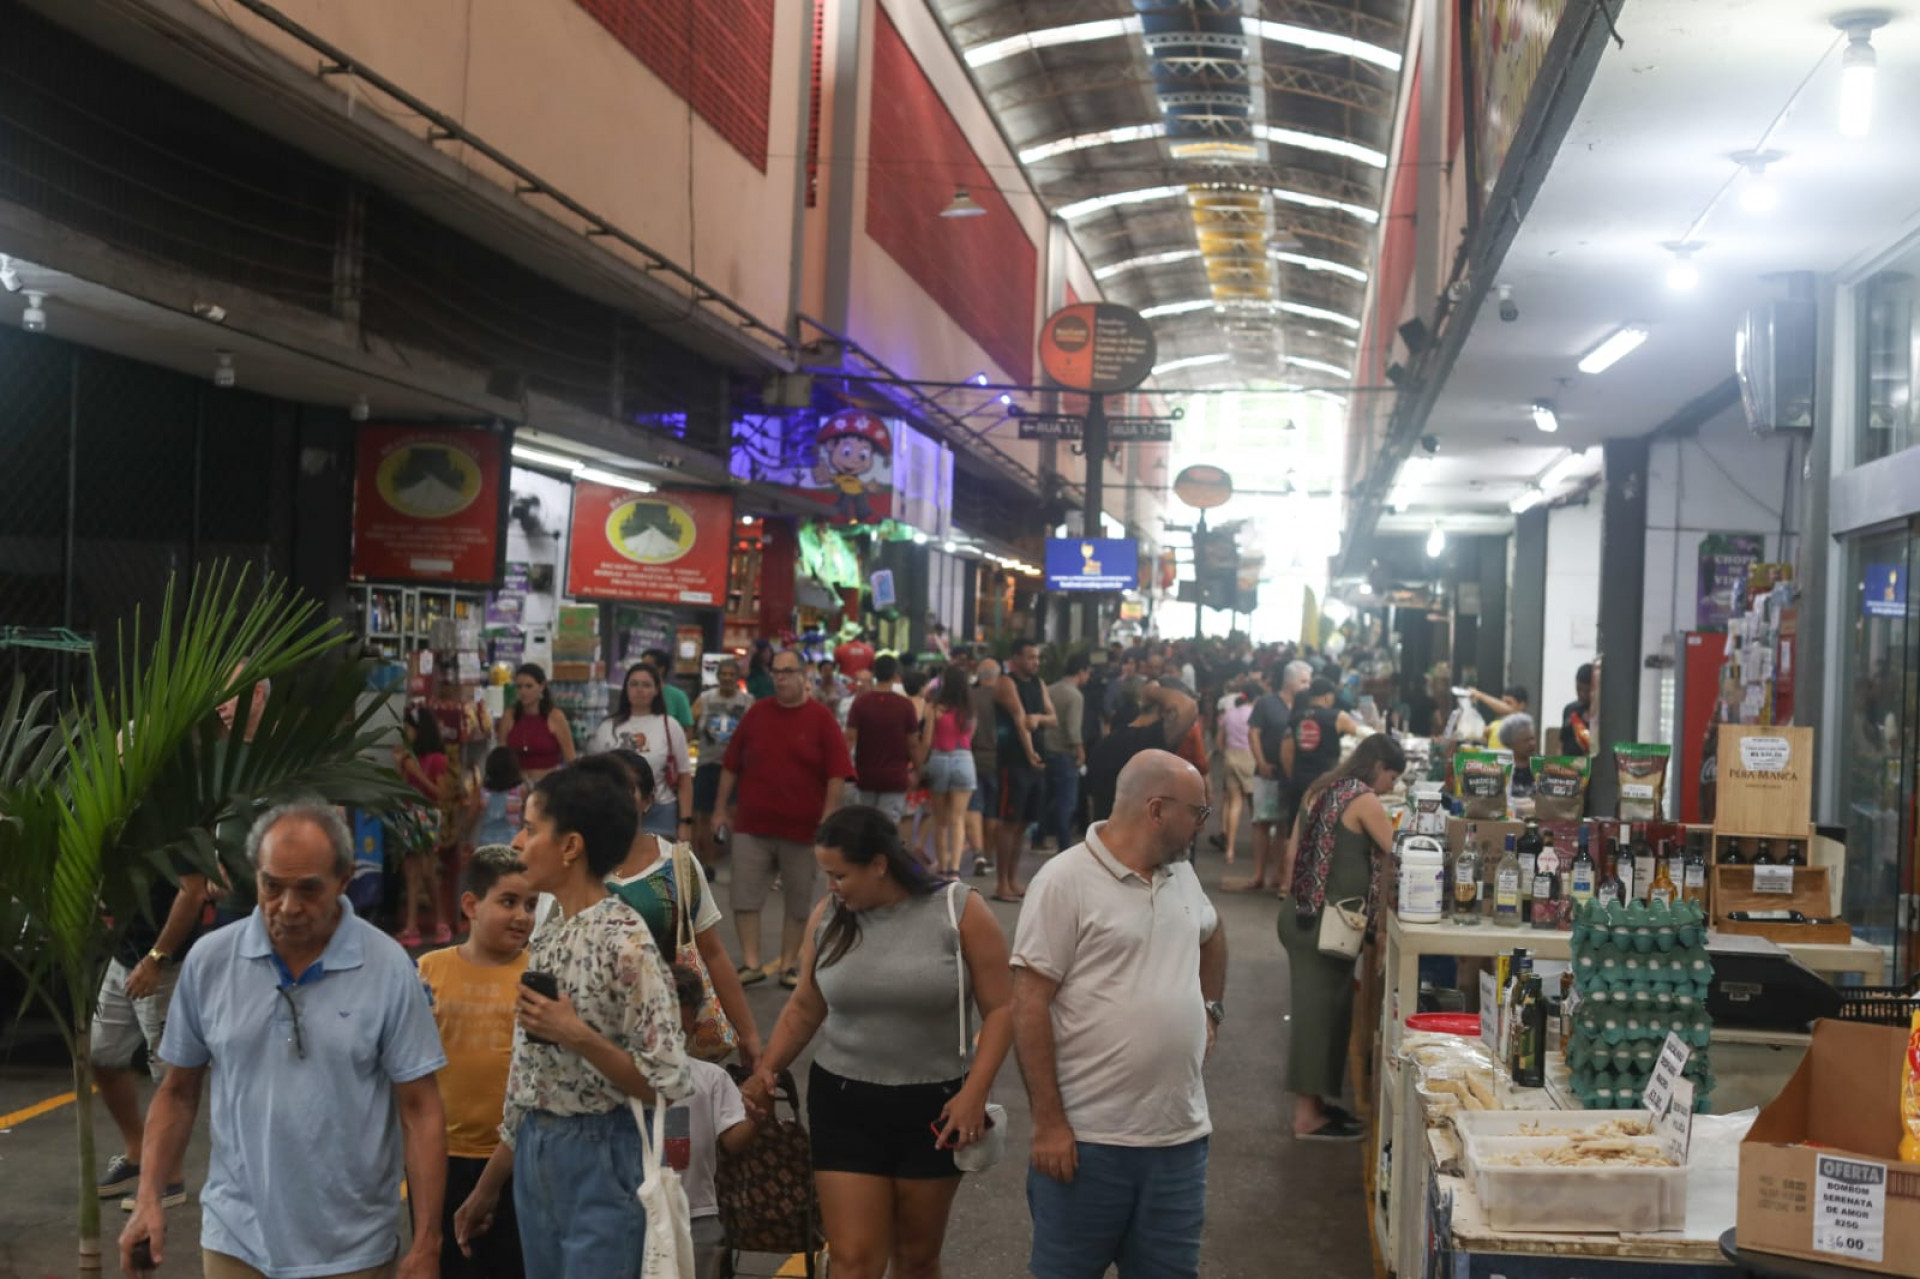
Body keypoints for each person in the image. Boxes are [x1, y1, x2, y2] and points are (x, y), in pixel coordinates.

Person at [119, 802, 448, 1279]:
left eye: (309, 889)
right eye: (272, 886)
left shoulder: (389, 968)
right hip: (235, 1240)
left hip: (352, 1250)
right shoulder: (210, 961)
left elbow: (421, 1108)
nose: (288, 907)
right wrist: (148, 1198)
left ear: (344, 878)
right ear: (254, 877)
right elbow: (177, 1091)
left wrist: (426, 1242)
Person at [743, 807, 1013, 1279]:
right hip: (845, 1105)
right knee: (853, 1261)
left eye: (840, 874)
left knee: (916, 1258)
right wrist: (767, 1068)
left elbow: (1003, 1011)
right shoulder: (829, 917)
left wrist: (975, 1094)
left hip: (935, 1108)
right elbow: (806, 1005)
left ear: (880, 864)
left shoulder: (959, 909)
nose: (831, 887)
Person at [451, 766, 693, 1277]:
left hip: (602, 1156)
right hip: (536, 1151)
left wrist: (576, 1034)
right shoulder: (551, 935)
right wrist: (487, 1188)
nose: (517, 841)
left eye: (531, 828)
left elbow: (666, 1081)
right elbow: (528, 1083)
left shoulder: (625, 941)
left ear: (571, 847)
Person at [1011, 751, 1226, 1279]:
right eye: (1198, 812)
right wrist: (1048, 1125)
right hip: (1087, 1147)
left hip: (1178, 1142)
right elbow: (1028, 1003)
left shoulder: (1182, 875)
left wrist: (1210, 1011)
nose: (1204, 823)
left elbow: (1214, 935)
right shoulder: (1064, 881)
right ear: (1156, 809)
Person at [575, 751, 763, 1068]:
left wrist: (749, 1034)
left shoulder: (676, 863)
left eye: (625, 789)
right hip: (584, 1037)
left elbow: (713, 953)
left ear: (648, 801)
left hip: (663, 1033)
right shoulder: (568, 863)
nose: (611, 799)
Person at [1276, 734, 1406, 1141]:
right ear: (1379, 767)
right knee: (1317, 1017)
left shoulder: (1320, 790)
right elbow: (1399, 850)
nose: (1391, 787)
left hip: (1302, 914)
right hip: (1327, 924)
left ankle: (1317, 1105)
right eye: (1392, 777)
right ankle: (1305, 1118)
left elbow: (1292, 852)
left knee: (1331, 1012)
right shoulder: (1363, 799)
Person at [418, 847, 537, 1279]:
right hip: (440, 1156)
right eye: (508, 902)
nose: (523, 916)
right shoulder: (429, 971)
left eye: (530, 905)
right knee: (445, 1265)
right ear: (471, 905)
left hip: (515, 1158)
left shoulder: (538, 974)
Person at [714, 648, 856, 989]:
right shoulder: (756, 714)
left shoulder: (821, 719)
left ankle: (789, 964)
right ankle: (751, 962)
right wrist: (720, 808)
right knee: (744, 896)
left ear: (803, 675)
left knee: (797, 900)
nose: (780, 677)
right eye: (776, 671)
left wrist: (828, 818)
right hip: (752, 824)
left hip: (804, 830)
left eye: (788, 671)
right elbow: (731, 765)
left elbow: (838, 774)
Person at [666, 964, 759, 1279]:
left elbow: (732, 1140)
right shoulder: (624, 1075)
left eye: (681, 1021)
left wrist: (756, 1118)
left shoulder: (711, 1077)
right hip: (640, 1210)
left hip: (698, 1212)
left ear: (693, 1025)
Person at [589, 661, 694, 842]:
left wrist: (685, 822)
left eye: (646, 685)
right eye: (634, 684)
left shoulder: (669, 725)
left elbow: (684, 778)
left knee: (660, 868)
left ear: (656, 690)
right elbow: (595, 775)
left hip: (661, 810)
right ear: (626, 688)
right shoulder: (608, 726)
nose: (639, 690)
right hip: (616, 811)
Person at [1235, 661, 1310, 892]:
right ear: (1289, 681)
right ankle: (1258, 874)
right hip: (1268, 772)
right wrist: (1261, 762)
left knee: (1283, 826)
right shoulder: (1267, 703)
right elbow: (1253, 733)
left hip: (1292, 776)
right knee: (1262, 824)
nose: (1307, 686)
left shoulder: (1304, 706)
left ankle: (1279, 874)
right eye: (1303, 681)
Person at [1083, 678, 1200, 824]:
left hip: (1108, 837)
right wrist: (1151, 691)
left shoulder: (1104, 744)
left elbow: (1092, 800)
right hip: (1138, 840)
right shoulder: (1148, 742)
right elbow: (1187, 708)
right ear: (1165, 712)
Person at [992, 639, 1056, 902]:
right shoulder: (1007, 683)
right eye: (1030, 657)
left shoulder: (1038, 683)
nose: (1035, 662)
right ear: (1015, 658)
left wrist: (1039, 719)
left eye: (1037, 658)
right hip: (1014, 761)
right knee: (1009, 822)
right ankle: (1001, 883)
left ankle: (1012, 878)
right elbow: (1019, 719)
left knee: (1023, 824)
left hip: (1035, 761)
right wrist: (1030, 754)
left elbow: (1053, 718)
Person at [395, 705, 457, 947]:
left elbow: (439, 793)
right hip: (409, 813)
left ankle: (435, 922)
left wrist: (416, 773)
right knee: (411, 869)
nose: (406, 733)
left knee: (425, 868)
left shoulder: (437, 759)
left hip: (427, 814)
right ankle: (415, 925)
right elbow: (404, 789)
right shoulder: (411, 758)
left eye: (409, 728)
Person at [845, 654, 922, 821]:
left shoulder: (860, 703)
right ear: (895, 676)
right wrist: (919, 770)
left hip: (865, 776)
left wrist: (843, 770)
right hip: (895, 777)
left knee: (865, 824)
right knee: (887, 826)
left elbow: (849, 738)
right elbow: (913, 744)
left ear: (874, 674)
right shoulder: (905, 705)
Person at [691, 658, 753, 865]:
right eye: (723, 674)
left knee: (733, 813)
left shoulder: (747, 702)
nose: (727, 678)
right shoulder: (705, 698)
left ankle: (730, 856)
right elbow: (691, 725)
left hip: (737, 768)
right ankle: (706, 861)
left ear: (737, 678)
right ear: (717, 677)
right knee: (704, 814)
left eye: (731, 674)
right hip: (707, 763)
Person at [920, 663, 977, 881]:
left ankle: (943, 867)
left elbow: (926, 741)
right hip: (964, 759)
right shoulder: (970, 711)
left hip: (939, 759)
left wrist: (919, 764)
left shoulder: (935, 708)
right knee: (958, 819)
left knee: (941, 820)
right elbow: (970, 738)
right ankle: (955, 869)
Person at [1040, 653, 1089, 853]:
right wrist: (1080, 751)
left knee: (1046, 799)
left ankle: (1039, 838)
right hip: (1065, 754)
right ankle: (1064, 845)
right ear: (1081, 672)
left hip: (1046, 750)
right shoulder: (1075, 695)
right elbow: (1073, 729)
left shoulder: (1050, 689)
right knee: (1066, 803)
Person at [495, 664, 574, 781]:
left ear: (541, 686)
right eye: (519, 687)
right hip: (517, 785)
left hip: (549, 784)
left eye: (529, 686)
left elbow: (571, 759)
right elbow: (501, 757)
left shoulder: (555, 717)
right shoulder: (509, 716)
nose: (523, 692)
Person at [1217, 679, 1259, 867]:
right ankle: (1258, 849)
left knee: (1235, 803)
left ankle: (1230, 850)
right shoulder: (1255, 714)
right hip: (1250, 758)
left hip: (1230, 757)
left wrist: (1226, 752)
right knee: (1254, 807)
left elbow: (1219, 740)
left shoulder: (1229, 714)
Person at [967, 659, 1002, 878]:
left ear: (979, 676)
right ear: (996, 676)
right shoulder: (1003, 697)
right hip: (998, 760)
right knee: (993, 810)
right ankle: (990, 856)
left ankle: (978, 853)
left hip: (972, 757)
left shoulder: (970, 697)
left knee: (974, 809)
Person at [474, 747, 528, 850]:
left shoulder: (482, 791)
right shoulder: (521, 790)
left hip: (485, 845)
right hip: (512, 844)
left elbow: (470, 818)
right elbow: (525, 819)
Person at [641, 647, 695, 733]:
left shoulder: (678, 696)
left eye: (647, 666)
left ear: (661, 669)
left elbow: (688, 730)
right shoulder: (636, 693)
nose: (642, 670)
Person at [1497, 714, 1539, 792]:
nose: (1532, 743)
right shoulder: (1502, 768)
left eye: (1532, 738)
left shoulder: (1540, 767)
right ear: (1511, 743)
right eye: (1526, 740)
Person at [1560, 663, 1595, 757]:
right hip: (1568, 765)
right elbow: (1562, 743)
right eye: (1579, 689)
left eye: (1587, 691)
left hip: (1590, 765)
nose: (1582, 694)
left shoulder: (1599, 713)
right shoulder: (1569, 709)